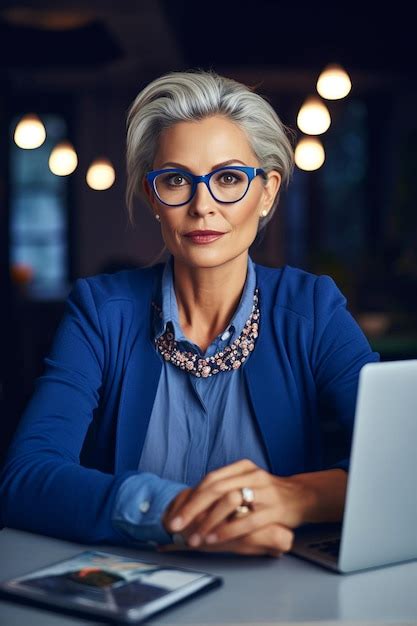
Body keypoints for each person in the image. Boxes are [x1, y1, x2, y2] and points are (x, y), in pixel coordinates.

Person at [0, 69, 379, 558]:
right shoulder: (100, 311)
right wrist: (180, 510)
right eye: (177, 179)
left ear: (266, 192)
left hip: (282, 597)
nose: (203, 206)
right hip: (129, 592)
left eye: (228, 178)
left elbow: (400, 463)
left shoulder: (313, 309)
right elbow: (25, 477)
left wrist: (296, 497)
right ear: (152, 198)